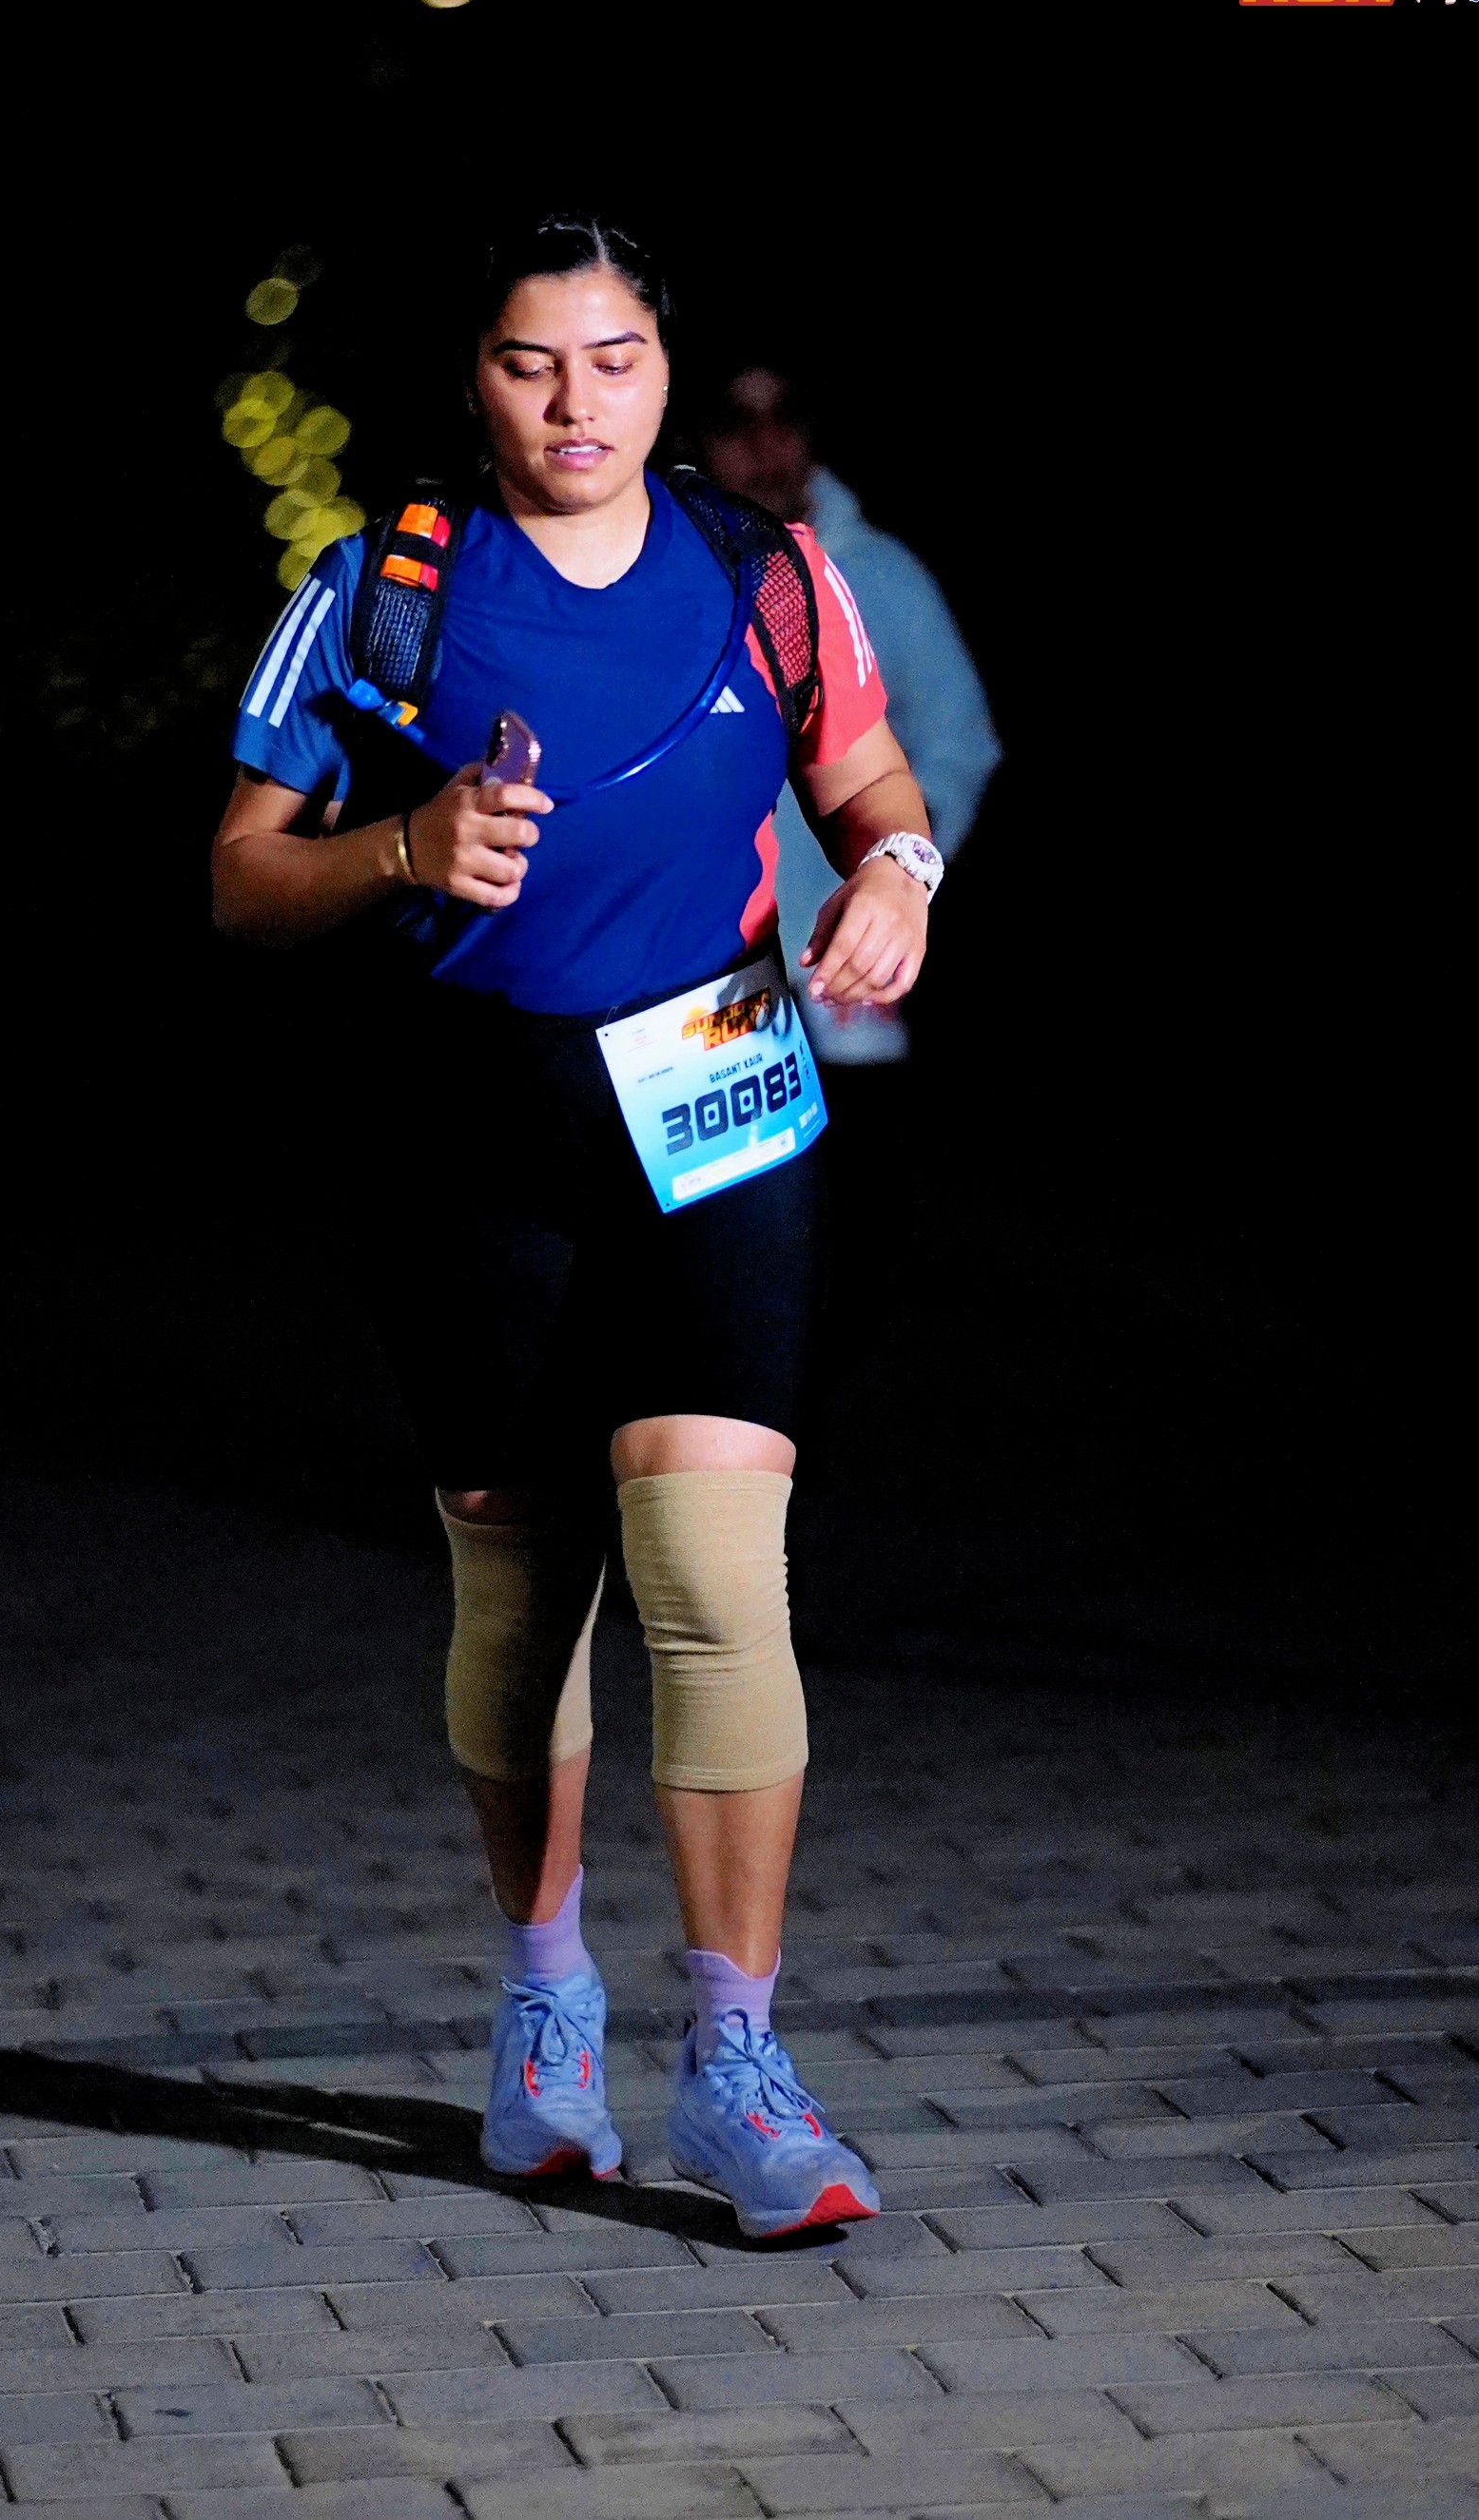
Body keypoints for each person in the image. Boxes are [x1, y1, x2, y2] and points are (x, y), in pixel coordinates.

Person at [210, 212, 940, 2239]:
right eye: (531, 363)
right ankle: (545, 2005)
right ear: (476, 380)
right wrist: (402, 844)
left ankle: (738, 2064)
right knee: (522, 1588)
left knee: (715, 1568)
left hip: (715, 1085)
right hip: (471, 1119)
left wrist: (899, 876)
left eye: (613, 359)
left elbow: (872, 780)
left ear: (662, 371)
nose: (575, 402)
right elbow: (240, 878)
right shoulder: (384, 590)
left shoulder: (761, 569)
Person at [697, 367, 1000, 1064]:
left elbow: (958, 741)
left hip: (848, 970)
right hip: (711, 984)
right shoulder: (670, 581)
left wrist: (896, 868)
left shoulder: (882, 574)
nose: (765, 445)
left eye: (784, 418)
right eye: (735, 424)